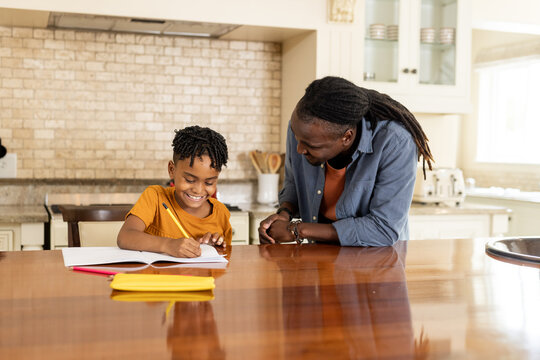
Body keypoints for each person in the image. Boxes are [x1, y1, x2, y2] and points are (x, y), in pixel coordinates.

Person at [258, 76, 433, 246]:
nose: (299, 149)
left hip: (377, 261)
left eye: (310, 145)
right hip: (319, 254)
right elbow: (294, 183)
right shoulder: (303, 131)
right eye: (297, 139)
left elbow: (383, 229)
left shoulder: (395, 141)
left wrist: (298, 230)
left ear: (346, 137)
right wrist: (284, 213)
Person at [117, 125, 232, 258]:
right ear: (172, 170)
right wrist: (168, 245)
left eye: (209, 182)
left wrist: (213, 248)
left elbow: (224, 260)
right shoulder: (156, 197)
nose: (198, 190)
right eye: (189, 180)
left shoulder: (221, 214)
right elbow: (125, 236)